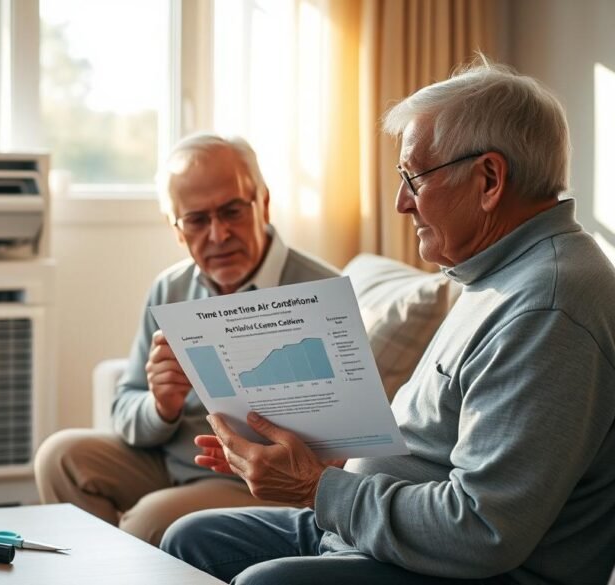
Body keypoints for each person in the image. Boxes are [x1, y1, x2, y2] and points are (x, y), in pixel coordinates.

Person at [160, 61, 615, 584]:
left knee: (265, 582)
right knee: (188, 538)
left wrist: (314, 489)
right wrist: (323, 462)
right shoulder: (496, 274)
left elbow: (484, 531)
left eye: (413, 178)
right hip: (385, 536)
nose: (402, 203)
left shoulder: (549, 307)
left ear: (489, 179)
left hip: (470, 571)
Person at [34, 134, 339, 546]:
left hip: (249, 480)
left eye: (232, 211)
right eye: (196, 220)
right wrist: (162, 407)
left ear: (263, 203)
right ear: (176, 229)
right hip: (168, 458)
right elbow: (125, 406)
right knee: (59, 456)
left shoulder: (321, 289)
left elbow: (347, 440)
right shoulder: (170, 289)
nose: (218, 234)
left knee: (149, 520)